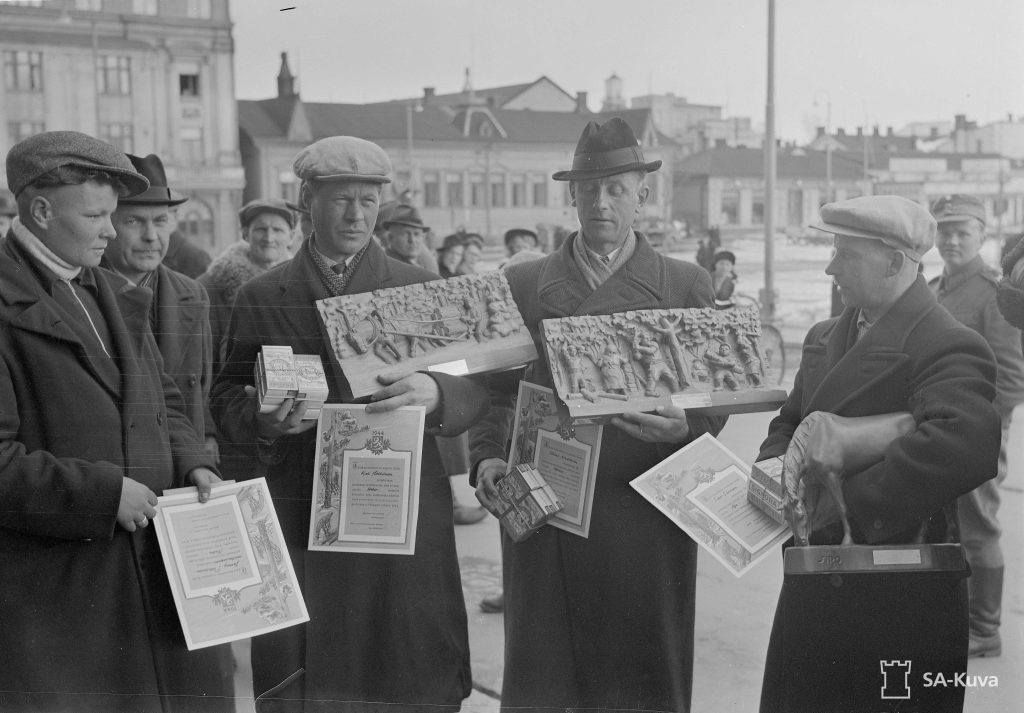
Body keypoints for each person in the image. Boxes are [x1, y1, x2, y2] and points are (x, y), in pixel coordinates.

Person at [211, 135, 488, 712]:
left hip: (404, 509)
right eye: (340, 199)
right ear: (307, 199)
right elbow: (225, 395)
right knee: (312, 685)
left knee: (408, 673)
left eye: (368, 200)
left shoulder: (421, 286)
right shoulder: (262, 294)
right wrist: (264, 422)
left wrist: (438, 391)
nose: (357, 215)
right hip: (302, 505)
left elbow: (476, 390)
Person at [470, 117, 724, 712]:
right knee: (546, 681)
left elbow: (713, 398)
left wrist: (689, 427)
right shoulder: (525, 284)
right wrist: (485, 456)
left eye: (616, 188)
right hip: (545, 514)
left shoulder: (686, 284)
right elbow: (493, 392)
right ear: (572, 195)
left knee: (638, 681)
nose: (602, 202)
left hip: (642, 515)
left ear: (643, 193)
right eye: (589, 189)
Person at [0, 131, 222, 712]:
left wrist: (193, 460)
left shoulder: (101, 285)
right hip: (64, 591)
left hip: (150, 573)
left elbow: (163, 398)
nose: (110, 230)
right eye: (98, 215)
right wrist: (100, 495)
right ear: (41, 211)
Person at [756, 195, 1001, 712]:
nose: (829, 266)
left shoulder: (947, 342)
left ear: (894, 262)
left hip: (900, 596)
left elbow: (964, 447)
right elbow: (790, 422)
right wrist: (773, 472)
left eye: (845, 254)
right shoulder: (825, 336)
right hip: (814, 582)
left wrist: (835, 505)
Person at [928, 194, 1024, 658]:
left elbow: (1010, 378)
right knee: (947, 523)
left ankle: (985, 630)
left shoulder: (994, 292)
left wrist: (985, 434)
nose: (951, 240)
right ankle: (956, 619)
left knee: (978, 524)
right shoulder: (933, 289)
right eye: (944, 231)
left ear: (983, 236)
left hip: (976, 434)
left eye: (962, 231)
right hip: (935, 430)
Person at [384, 203, 440, 273]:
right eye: (405, 234)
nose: (412, 240)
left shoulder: (422, 265)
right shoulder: (387, 267)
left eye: (416, 234)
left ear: (423, 238)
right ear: (390, 238)